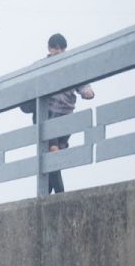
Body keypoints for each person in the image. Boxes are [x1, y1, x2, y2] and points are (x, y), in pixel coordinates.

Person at [35, 33, 95, 194]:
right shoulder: (42, 66)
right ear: (49, 49)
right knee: (54, 151)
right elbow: (30, 85)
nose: (58, 51)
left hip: (66, 114)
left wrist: (87, 91)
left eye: (61, 48)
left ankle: (44, 195)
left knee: (56, 155)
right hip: (48, 113)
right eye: (55, 48)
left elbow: (83, 84)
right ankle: (60, 194)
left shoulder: (71, 66)